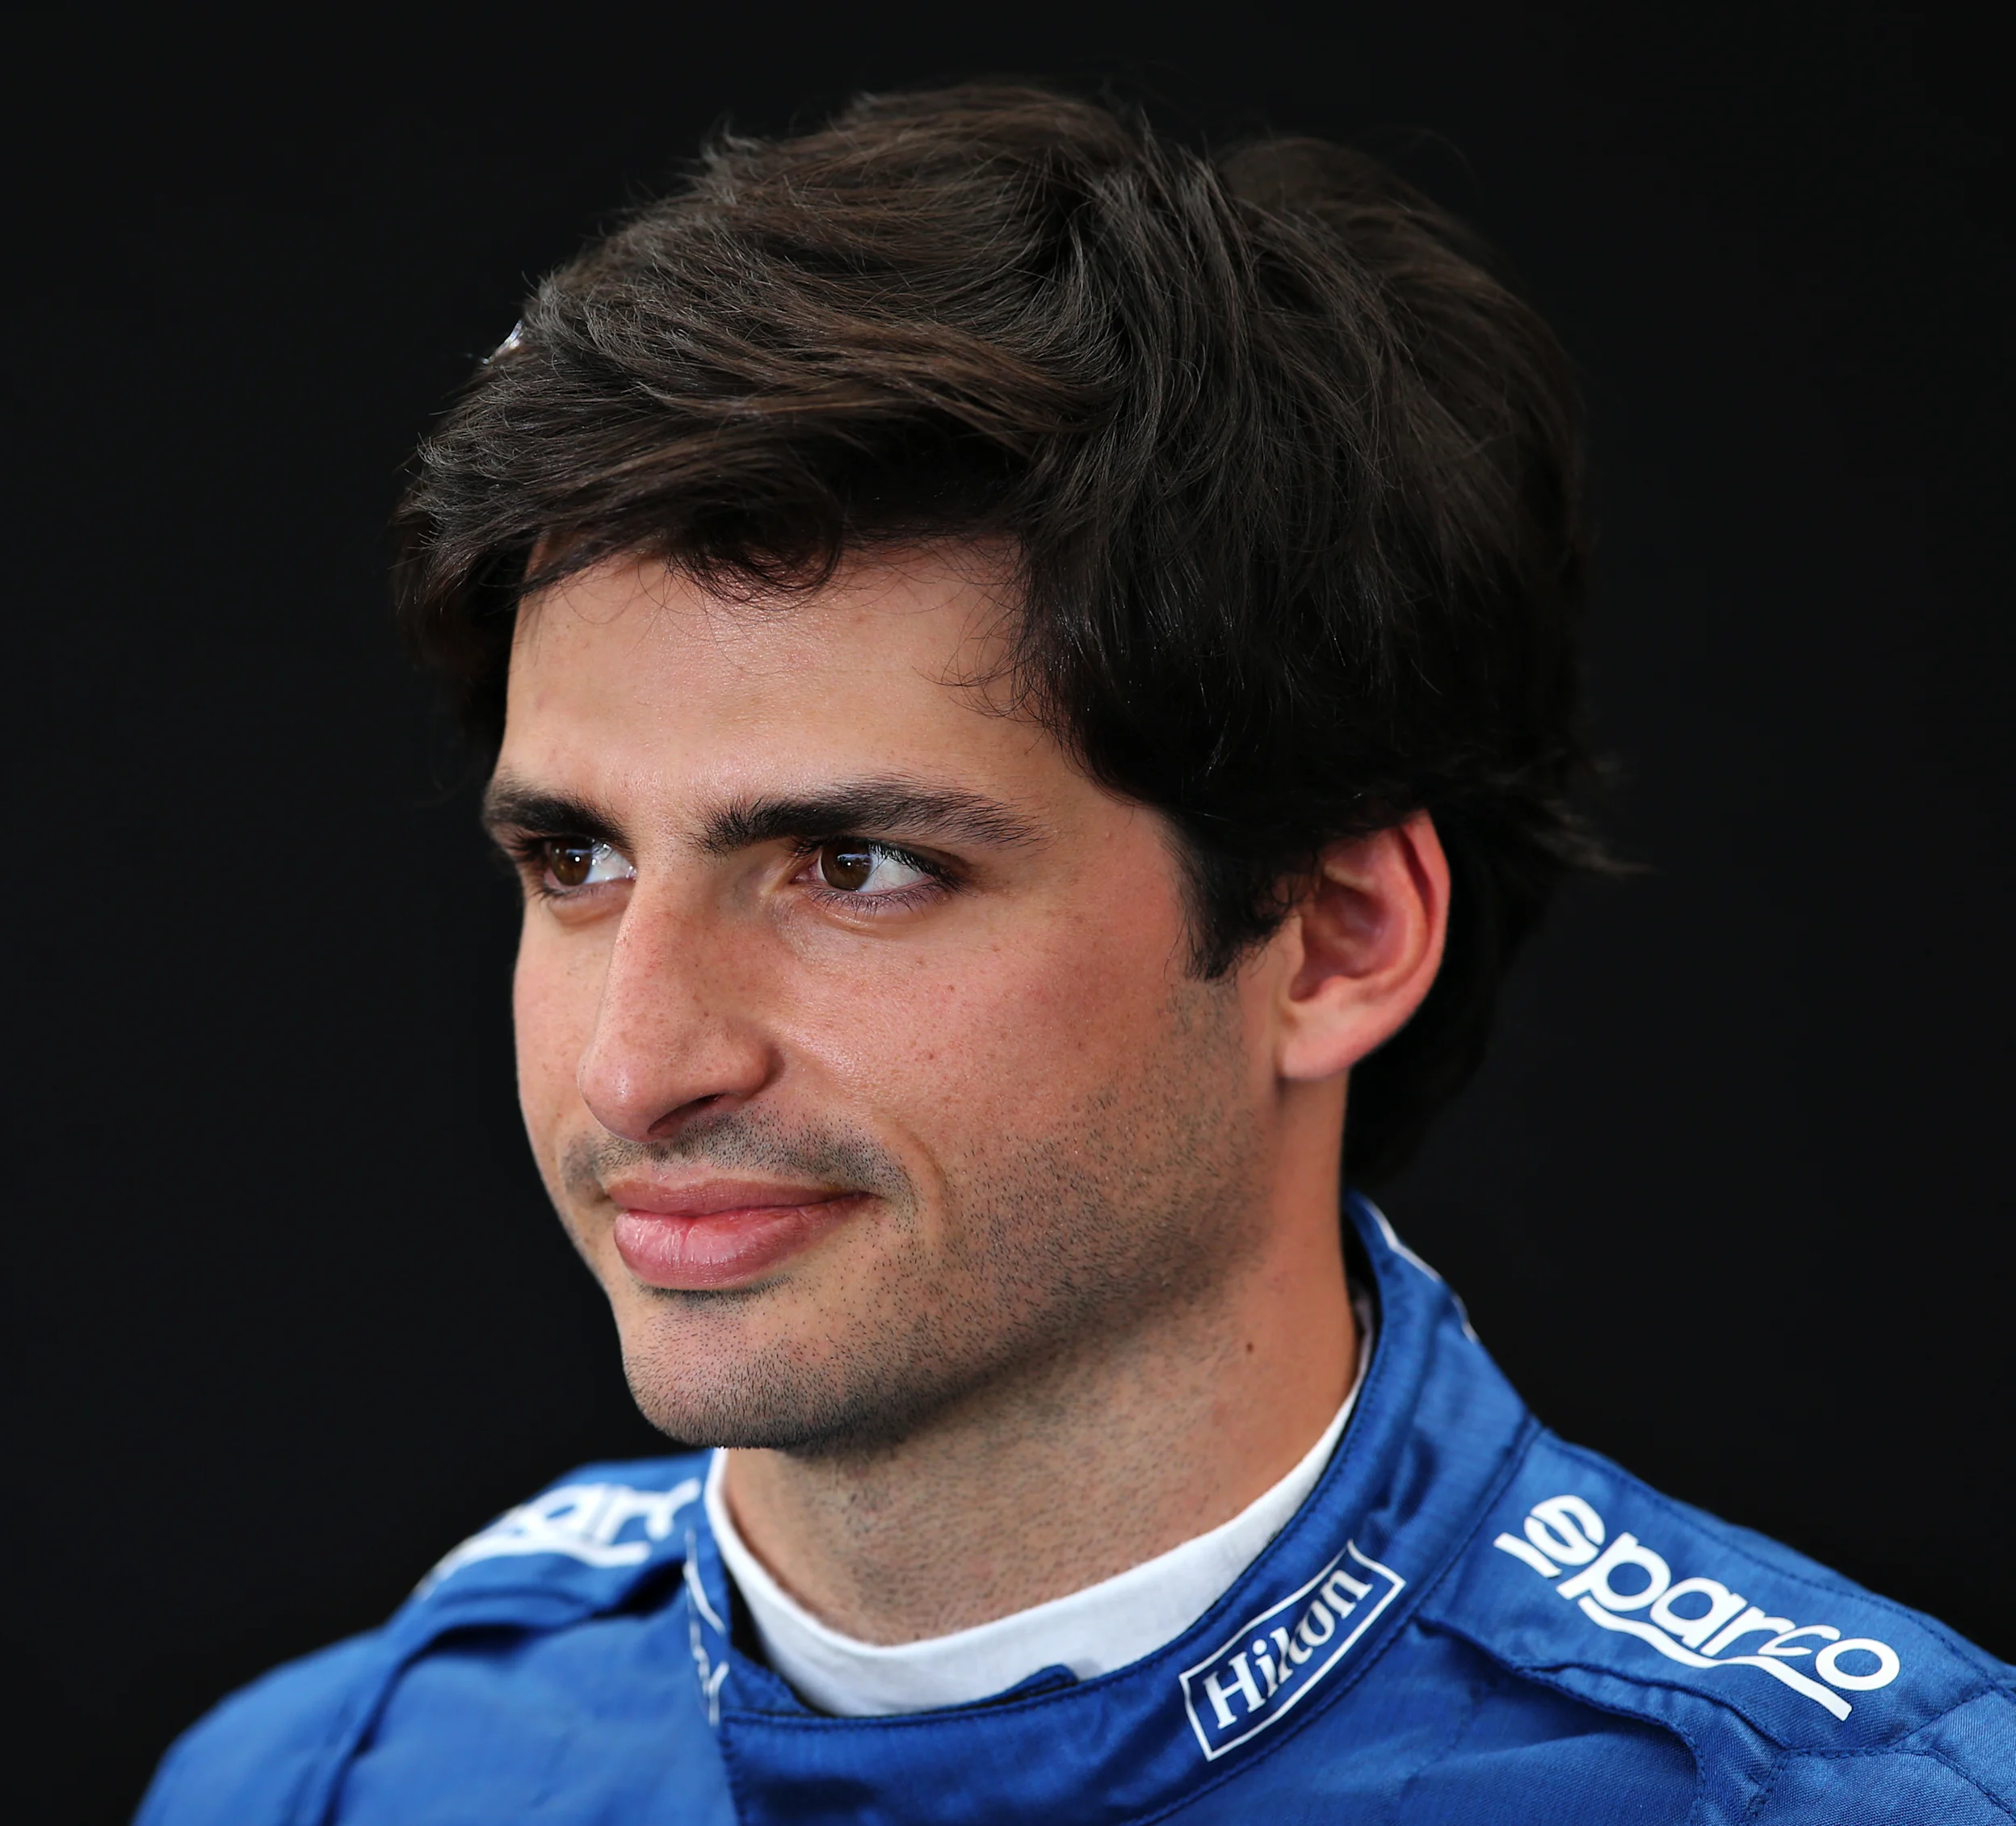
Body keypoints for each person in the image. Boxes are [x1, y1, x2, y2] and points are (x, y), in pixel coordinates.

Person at [136, 86, 2015, 1823]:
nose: (638, 1066)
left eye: (856, 864)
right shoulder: (327, 1777)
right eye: (575, 857)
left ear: (1335, 938)